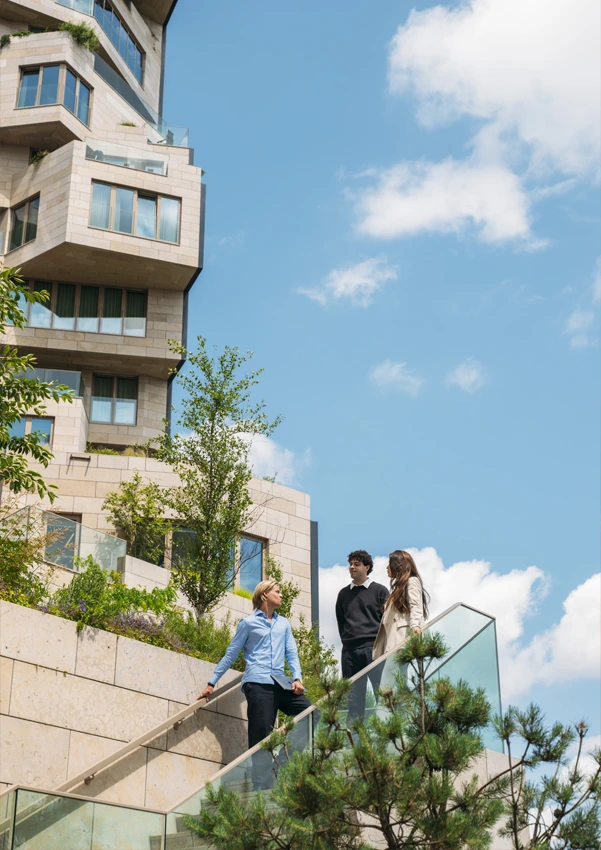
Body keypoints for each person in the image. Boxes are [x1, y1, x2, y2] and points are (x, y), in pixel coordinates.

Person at [197, 579, 310, 790]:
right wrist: (212, 682)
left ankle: (284, 763)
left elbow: (291, 653)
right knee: (261, 735)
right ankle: (261, 786)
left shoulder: (283, 623)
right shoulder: (248, 623)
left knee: (312, 714)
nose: (281, 595)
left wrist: (297, 677)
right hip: (257, 683)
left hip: (281, 683)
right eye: (278, 591)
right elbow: (231, 654)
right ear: (265, 594)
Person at [335, 549, 389, 717]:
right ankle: (355, 740)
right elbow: (341, 622)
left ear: (367, 567)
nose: (352, 567)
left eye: (356, 564)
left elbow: (387, 620)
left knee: (382, 694)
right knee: (354, 700)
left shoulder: (380, 591)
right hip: (349, 653)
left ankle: (387, 734)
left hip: (374, 650)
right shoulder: (343, 594)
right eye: (350, 564)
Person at [372, 549, 429, 660]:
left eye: (389, 564)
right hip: (393, 643)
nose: (387, 567)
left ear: (397, 565)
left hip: (403, 640)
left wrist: (415, 626)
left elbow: (415, 606)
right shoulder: (397, 590)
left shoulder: (411, 581)